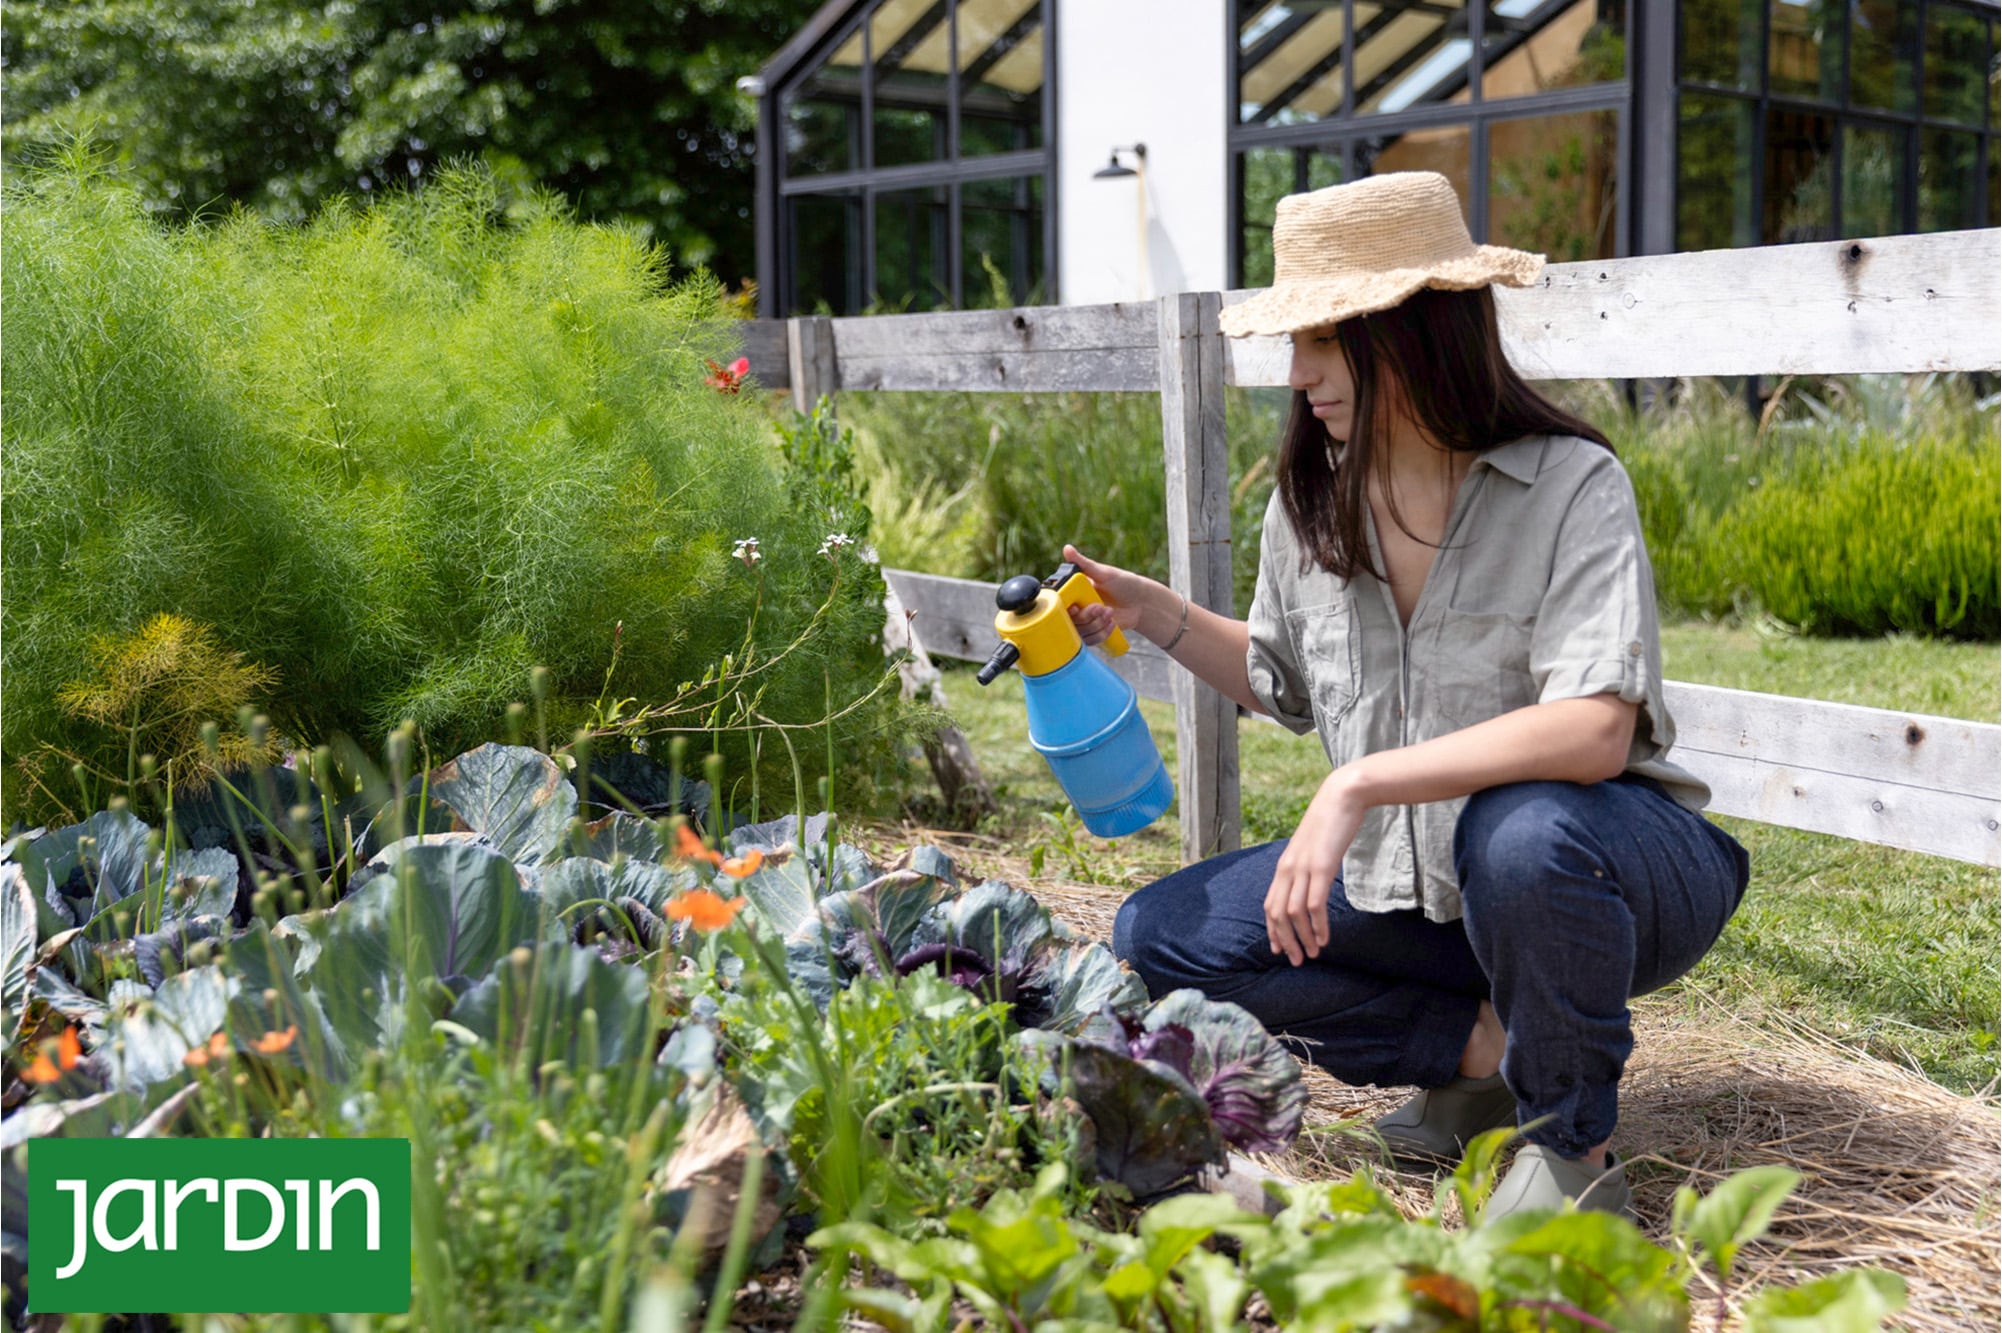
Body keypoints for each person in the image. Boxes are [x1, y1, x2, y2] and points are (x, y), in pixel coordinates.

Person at [1064, 172, 1750, 1220]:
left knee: (1520, 831)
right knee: (1158, 937)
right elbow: (1279, 680)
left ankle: (1571, 1148)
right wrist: (1159, 615)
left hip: (1604, 868)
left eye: (1322, 340)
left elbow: (1596, 730)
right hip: (1421, 888)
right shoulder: (1310, 509)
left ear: (1415, 329)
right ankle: (1483, 1053)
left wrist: (1357, 787)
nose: (1296, 374)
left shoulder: (1569, 483)